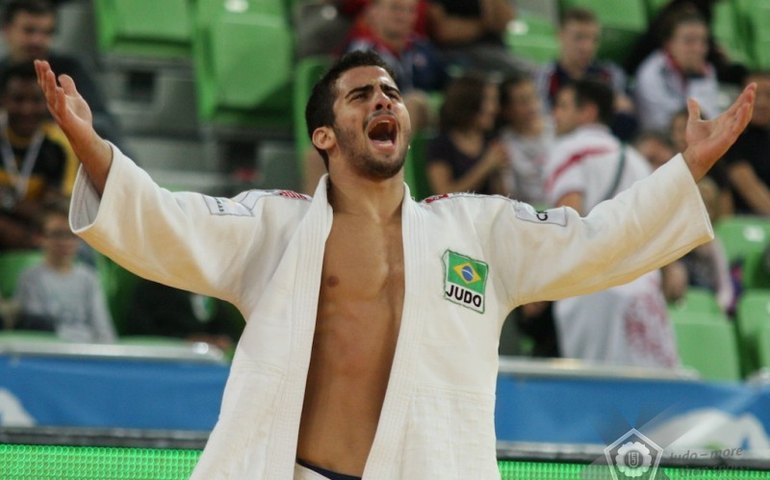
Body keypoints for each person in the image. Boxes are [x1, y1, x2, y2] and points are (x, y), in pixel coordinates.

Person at [35, 48, 755, 479]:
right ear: (324, 133)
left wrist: (686, 170)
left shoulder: (475, 228)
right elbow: (165, 221)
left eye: (391, 93)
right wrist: (92, 146)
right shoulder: (276, 225)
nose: (383, 99)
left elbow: (596, 241)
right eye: (360, 95)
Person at [544, 79, 681, 367]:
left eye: (563, 106)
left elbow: (569, 222)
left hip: (594, 290)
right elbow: (657, 225)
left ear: (588, 112)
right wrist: (670, 270)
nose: (555, 114)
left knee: (600, 392)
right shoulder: (635, 159)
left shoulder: (569, 150)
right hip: (643, 291)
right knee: (651, 393)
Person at [1, 0, 124, 148]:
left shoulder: (70, 72)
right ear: (6, 30)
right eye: (29, 31)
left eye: (46, 32)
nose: (37, 41)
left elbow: (104, 125)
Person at [0, 61, 77, 250]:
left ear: (48, 101)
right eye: (18, 99)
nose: (27, 109)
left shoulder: (60, 145)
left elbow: (53, 211)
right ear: (3, 100)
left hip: (37, 235)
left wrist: (8, 202)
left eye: (36, 100)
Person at [14, 201, 115, 342]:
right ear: (40, 237)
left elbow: (104, 331)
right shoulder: (31, 278)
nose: (65, 242)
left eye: (71, 234)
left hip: (87, 355)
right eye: (57, 234)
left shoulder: (89, 278)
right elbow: (37, 331)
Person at [535, 7, 637, 140]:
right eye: (579, 38)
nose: (587, 47)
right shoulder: (546, 77)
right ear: (560, 36)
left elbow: (626, 114)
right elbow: (541, 122)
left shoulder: (610, 75)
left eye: (593, 39)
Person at [633, 8, 721, 132]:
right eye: (689, 41)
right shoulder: (650, 73)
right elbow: (659, 124)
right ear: (669, 43)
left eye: (703, 41)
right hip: (661, 143)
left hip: (697, 142)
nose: (698, 49)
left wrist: (696, 78)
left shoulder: (707, 71)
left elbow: (711, 120)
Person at [425, 73, 508, 195]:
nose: (495, 108)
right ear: (470, 102)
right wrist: (486, 166)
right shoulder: (441, 145)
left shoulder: (491, 140)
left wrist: (498, 172)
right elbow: (443, 195)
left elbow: (501, 197)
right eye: (489, 101)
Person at [425, 0, 533, 77]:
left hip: (496, 50)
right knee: (526, 74)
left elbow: (504, 21)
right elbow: (444, 31)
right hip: (456, 53)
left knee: (533, 75)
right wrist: (486, 24)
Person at [497, 73, 553, 206]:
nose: (531, 105)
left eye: (533, 97)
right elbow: (507, 198)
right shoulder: (504, 145)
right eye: (523, 101)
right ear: (506, 110)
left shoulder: (557, 128)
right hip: (530, 215)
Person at [723, 71, 770, 215]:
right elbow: (749, 188)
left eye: (769, 95)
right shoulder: (732, 137)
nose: (762, 103)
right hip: (747, 222)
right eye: (755, 96)